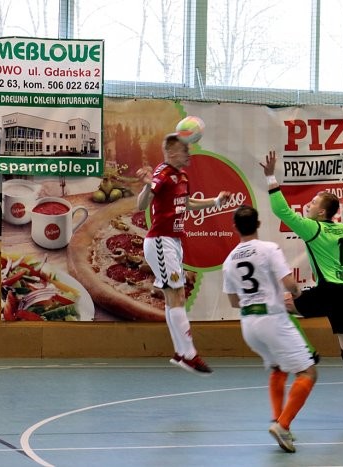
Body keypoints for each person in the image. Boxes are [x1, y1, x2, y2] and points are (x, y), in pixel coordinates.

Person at [260, 150, 343, 424]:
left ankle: (307, 351)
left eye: (312, 203)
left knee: (279, 306)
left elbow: (281, 211)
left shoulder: (315, 228)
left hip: (329, 290)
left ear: (321, 212)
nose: (308, 206)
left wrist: (270, 177)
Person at [222, 205, 318, 453]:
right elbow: (289, 283)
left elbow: (233, 301)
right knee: (308, 373)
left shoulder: (229, 260)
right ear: (259, 224)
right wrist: (297, 295)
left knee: (278, 367)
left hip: (248, 325)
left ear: (235, 228)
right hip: (272, 320)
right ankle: (283, 425)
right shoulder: (268, 249)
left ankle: (278, 419)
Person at [136, 132, 229, 375]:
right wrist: (146, 185)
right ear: (171, 152)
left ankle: (181, 353)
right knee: (176, 295)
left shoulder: (183, 176)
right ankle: (189, 354)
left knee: (175, 297)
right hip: (160, 241)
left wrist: (216, 202)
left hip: (174, 241)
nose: (189, 153)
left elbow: (187, 204)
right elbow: (141, 204)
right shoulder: (162, 174)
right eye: (185, 150)